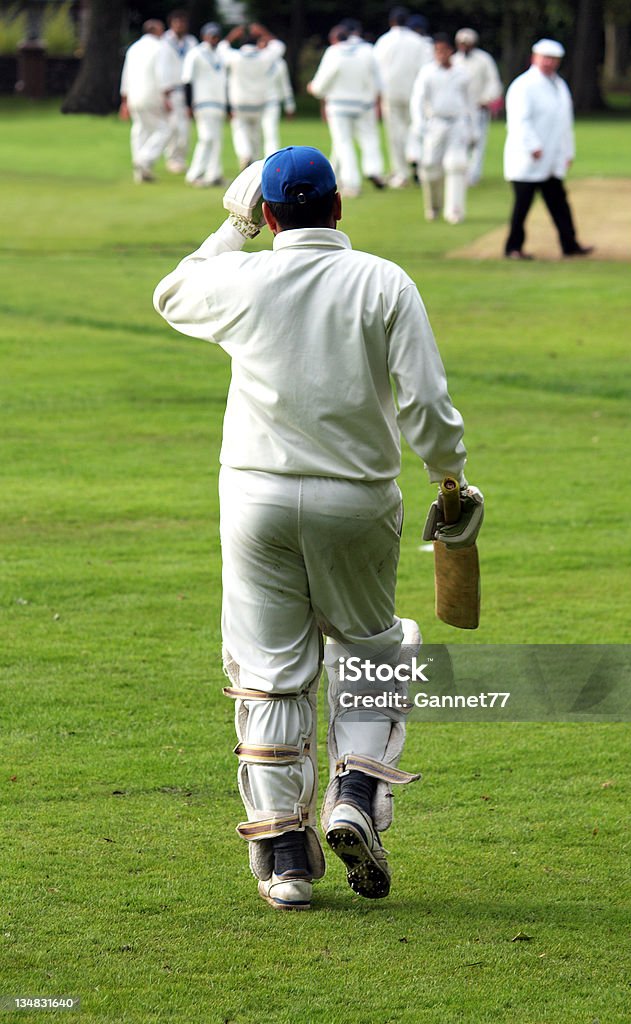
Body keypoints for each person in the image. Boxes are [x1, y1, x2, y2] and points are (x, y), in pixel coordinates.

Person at [152, 146, 476, 911]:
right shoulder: (383, 280)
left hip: (256, 497)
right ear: (338, 208)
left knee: (270, 668)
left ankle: (285, 859)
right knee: (369, 647)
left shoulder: (245, 275)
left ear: (269, 216)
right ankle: (355, 796)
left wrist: (232, 227)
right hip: (357, 498)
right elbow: (426, 405)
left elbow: (172, 293)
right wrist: (450, 478)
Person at [502, 39, 593, 260]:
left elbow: (564, 123)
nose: (549, 63)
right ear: (534, 58)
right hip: (528, 157)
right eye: (546, 58)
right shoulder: (523, 85)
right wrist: (532, 146)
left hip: (552, 157)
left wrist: (567, 152)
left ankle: (569, 244)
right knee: (522, 205)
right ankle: (513, 247)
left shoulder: (559, 84)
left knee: (559, 203)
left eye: (554, 60)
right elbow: (519, 120)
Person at [307, 27, 385, 197]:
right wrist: (376, 100)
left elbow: (322, 83)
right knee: (369, 138)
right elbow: (378, 81)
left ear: (336, 38)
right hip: (364, 104)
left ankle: (351, 182)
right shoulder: (367, 50)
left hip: (339, 105)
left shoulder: (334, 52)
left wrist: (313, 88)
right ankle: (374, 170)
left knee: (343, 142)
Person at [410, 33, 473, 224]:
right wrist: (419, 123)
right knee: (429, 166)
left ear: (451, 51)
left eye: (444, 50)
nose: (440, 54)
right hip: (435, 123)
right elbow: (418, 99)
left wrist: (472, 129)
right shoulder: (427, 72)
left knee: (456, 165)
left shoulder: (461, 73)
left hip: (457, 123)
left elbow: (469, 102)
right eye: (437, 50)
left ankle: (454, 211)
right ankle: (434, 205)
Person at [374, 7, 431, 188]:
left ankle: (401, 173)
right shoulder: (419, 42)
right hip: (414, 92)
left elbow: (375, 69)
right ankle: (416, 159)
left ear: (392, 22)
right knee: (416, 128)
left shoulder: (383, 41)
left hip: (390, 93)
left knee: (395, 133)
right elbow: (427, 68)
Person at [218, 22, 287, 170]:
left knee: (240, 130)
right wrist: (263, 31)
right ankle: (263, 162)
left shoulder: (235, 57)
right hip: (260, 103)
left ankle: (245, 154)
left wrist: (231, 36)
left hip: (240, 103)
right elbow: (279, 46)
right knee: (259, 134)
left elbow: (221, 49)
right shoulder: (264, 57)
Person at [118, 20, 169, 184]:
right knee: (163, 130)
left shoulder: (133, 48)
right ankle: (143, 160)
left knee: (140, 130)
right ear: (156, 30)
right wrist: (166, 97)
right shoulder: (160, 48)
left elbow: (125, 76)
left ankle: (142, 173)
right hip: (152, 95)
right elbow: (161, 75)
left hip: (134, 96)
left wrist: (124, 101)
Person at [452, 28, 503, 186]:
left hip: (478, 107)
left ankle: (474, 174)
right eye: (462, 43)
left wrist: (487, 99)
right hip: (459, 110)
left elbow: (493, 81)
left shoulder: (483, 59)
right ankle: (461, 171)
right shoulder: (454, 60)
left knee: (478, 141)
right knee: (461, 141)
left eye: (467, 43)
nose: (464, 46)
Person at [182, 22, 227, 187]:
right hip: (202, 102)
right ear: (204, 36)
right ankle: (194, 174)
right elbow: (187, 80)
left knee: (216, 140)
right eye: (211, 35)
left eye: (216, 35)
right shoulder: (195, 53)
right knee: (206, 138)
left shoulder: (220, 55)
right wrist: (188, 105)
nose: (214, 38)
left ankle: (214, 174)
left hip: (219, 103)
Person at [158, 9, 197, 174]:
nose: (180, 25)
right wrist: (164, 91)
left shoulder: (191, 42)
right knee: (173, 126)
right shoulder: (164, 41)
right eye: (177, 22)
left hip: (187, 90)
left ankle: (180, 158)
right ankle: (172, 158)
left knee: (184, 128)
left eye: (183, 22)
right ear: (171, 24)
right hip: (171, 89)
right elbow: (160, 68)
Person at [261, 50, 296, 157]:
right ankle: (269, 160)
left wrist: (289, 105)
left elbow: (285, 85)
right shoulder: (258, 60)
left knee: (270, 133)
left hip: (270, 102)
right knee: (269, 133)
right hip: (262, 103)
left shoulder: (279, 63)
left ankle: (270, 159)